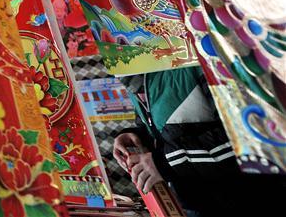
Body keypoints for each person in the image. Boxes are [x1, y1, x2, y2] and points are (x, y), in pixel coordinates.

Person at [113, 67, 284, 216]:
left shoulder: (203, 56)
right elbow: (159, 123)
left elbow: (251, 138)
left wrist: (164, 162)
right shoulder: (133, 68)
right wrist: (138, 136)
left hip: (246, 199)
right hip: (195, 199)